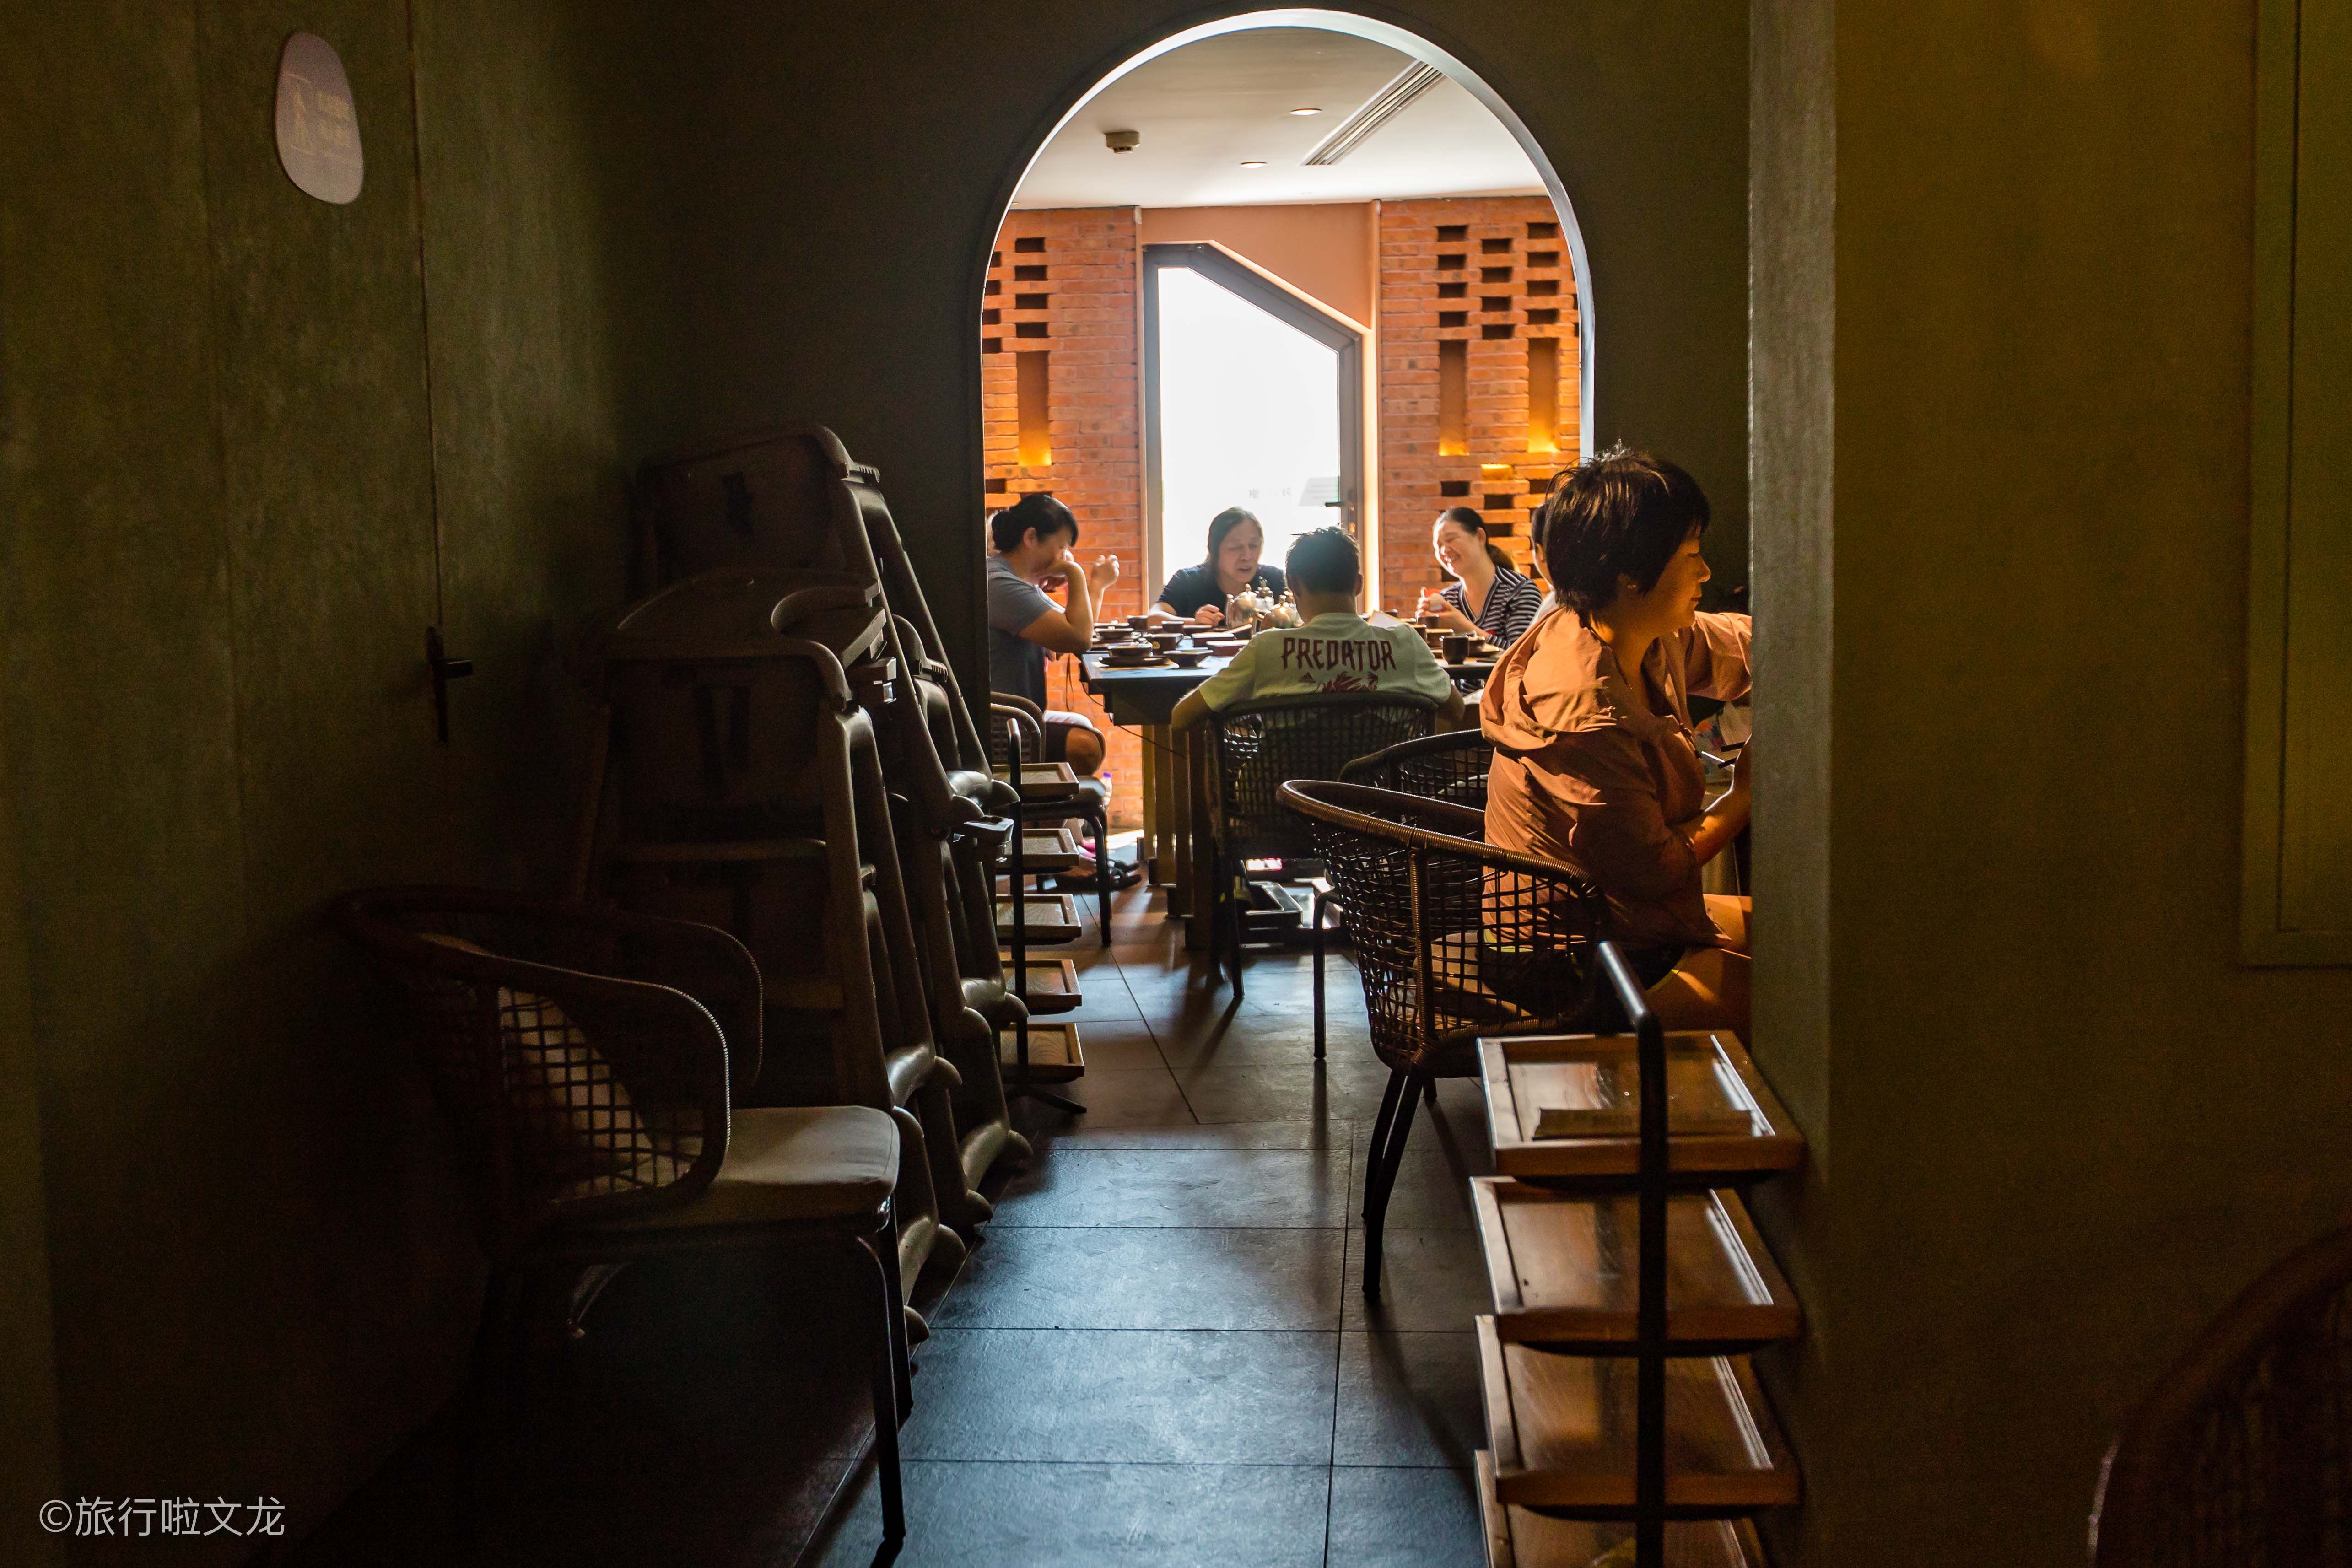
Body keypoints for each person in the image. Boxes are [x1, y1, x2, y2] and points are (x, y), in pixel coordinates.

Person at [1479, 447, 1753, 1035]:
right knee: (1808, 988)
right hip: (1573, 960)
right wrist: (1743, 795)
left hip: (1620, 922)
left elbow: (1733, 645)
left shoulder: (1634, 629)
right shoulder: (1584, 706)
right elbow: (1652, 870)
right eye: (1691, 556)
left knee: (1814, 932)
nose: (1706, 572)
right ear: (1630, 574)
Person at [1172, 525, 1462, 731]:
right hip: (1378, 800)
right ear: (1358, 585)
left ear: (1294, 586)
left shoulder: (1267, 648)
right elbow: (1456, 709)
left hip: (1281, 802)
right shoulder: (1404, 642)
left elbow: (1183, 717)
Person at [985, 491, 1117, 780]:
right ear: (1031, 538)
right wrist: (1075, 572)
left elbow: (1078, 629)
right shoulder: (998, 582)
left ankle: (1052, 819)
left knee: (1087, 734)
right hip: (998, 725)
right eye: (1061, 547)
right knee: (1085, 748)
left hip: (1021, 716)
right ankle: (1038, 817)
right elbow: (1080, 639)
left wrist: (1095, 585)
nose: (1063, 556)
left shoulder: (1021, 583)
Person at [1414, 507, 1546, 647]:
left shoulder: (1520, 590)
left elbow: (1522, 656)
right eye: (1438, 546)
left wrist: (1464, 627)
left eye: (1451, 539)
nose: (1444, 550)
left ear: (1480, 537)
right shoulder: (1448, 599)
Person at [1151, 507, 1286, 627]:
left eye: (1254, 546)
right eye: (1235, 547)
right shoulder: (1188, 581)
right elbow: (1152, 619)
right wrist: (1194, 623)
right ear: (1214, 550)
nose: (1247, 556)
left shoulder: (1276, 580)